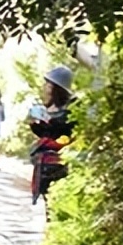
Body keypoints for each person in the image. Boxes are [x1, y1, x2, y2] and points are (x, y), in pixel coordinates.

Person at [29, 65, 75, 204]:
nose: (45, 87)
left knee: (55, 199)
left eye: (48, 84)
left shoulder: (69, 110)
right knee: (47, 200)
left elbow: (65, 135)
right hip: (44, 162)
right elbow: (46, 133)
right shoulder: (48, 108)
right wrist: (36, 125)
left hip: (58, 161)